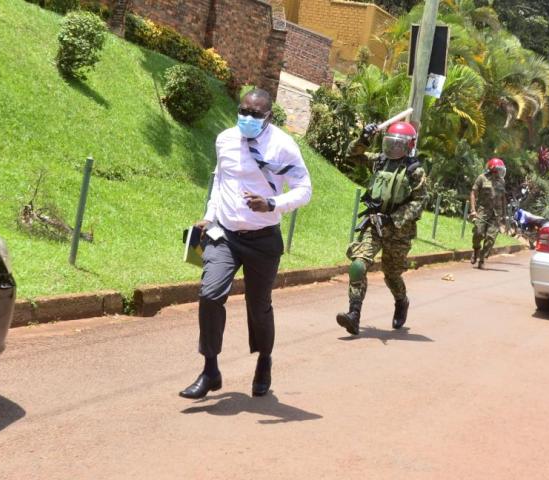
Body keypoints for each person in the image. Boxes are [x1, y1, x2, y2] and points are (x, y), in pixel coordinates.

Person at [179, 88, 312, 399]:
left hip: (263, 240)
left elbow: (305, 190)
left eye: (255, 114)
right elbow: (221, 179)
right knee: (210, 295)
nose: (247, 118)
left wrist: (273, 203)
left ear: (268, 116)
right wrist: (209, 216)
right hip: (224, 234)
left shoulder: (283, 146)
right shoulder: (225, 139)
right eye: (243, 111)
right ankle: (210, 370)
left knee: (259, 307)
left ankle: (264, 361)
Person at [336, 121, 427, 335]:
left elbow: (419, 201)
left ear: (408, 146)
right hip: (374, 224)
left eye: (398, 144)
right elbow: (352, 155)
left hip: (398, 231)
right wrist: (363, 138)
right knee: (359, 264)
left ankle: (401, 302)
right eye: (390, 143)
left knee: (391, 274)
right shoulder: (380, 162)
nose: (393, 148)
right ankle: (354, 315)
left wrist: (394, 219)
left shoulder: (415, 170)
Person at [470, 157, 507, 269]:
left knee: (490, 238)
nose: (500, 172)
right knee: (478, 233)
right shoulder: (481, 178)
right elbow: (473, 193)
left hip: (496, 214)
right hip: (483, 211)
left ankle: (482, 259)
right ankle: (476, 249)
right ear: (492, 169)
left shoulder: (502, 181)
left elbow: (503, 198)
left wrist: (504, 216)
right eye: (498, 169)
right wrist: (473, 210)